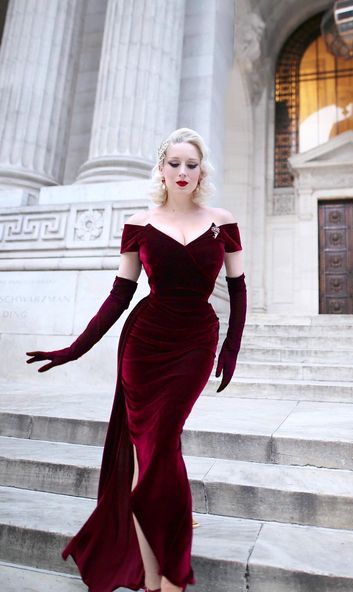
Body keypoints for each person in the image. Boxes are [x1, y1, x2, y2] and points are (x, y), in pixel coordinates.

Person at [25, 128, 247, 592]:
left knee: (161, 447)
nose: (183, 172)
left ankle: (173, 574)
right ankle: (153, 578)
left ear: (202, 170)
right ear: (161, 169)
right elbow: (119, 296)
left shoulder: (222, 222)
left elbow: (239, 289)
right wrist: (73, 349)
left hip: (194, 343)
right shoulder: (138, 223)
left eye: (191, 164)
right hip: (144, 345)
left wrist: (231, 347)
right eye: (174, 163)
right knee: (151, 458)